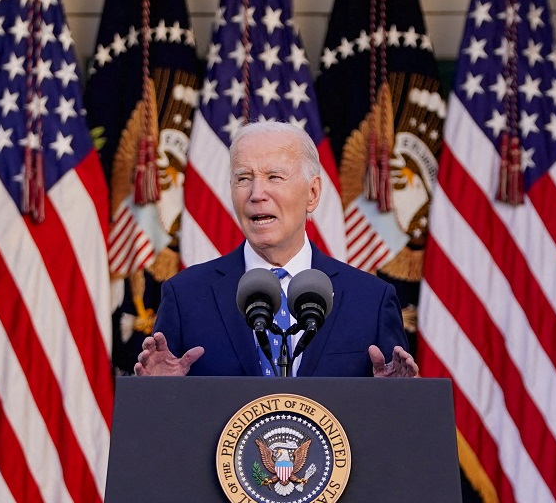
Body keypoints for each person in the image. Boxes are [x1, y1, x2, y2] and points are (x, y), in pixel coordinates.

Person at [134, 120, 418, 378]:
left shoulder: (371, 300)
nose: (256, 194)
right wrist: (158, 393)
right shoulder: (185, 296)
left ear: (313, 193)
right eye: (243, 178)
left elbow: (398, 421)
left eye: (274, 177)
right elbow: (160, 422)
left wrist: (392, 400)